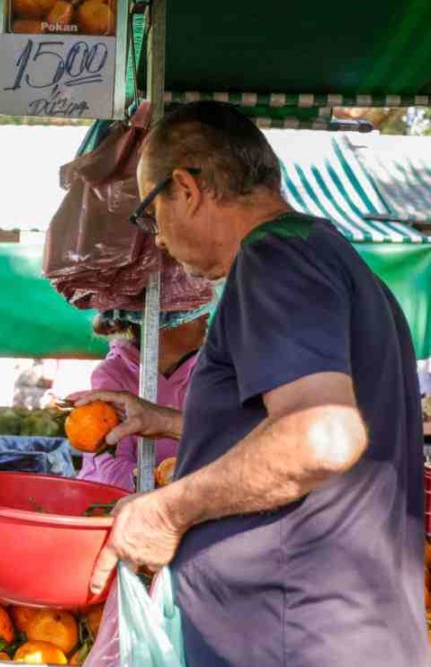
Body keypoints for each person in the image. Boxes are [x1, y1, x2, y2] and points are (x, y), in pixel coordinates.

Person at [71, 101, 425, 666]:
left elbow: (322, 436)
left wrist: (166, 512)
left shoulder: (272, 259)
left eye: (149, 214)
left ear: (186, 188)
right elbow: (300, 425)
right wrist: (166, 422)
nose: (156, 239)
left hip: (291, 636)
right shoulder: (332, 260)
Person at [77, 307, 209, 492]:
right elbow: (111, 464)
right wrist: (158, 485)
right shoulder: (112, 375)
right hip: (115, 500)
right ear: (158, 323)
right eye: (193, 310)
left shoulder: (210, 372)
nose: (206, 315)